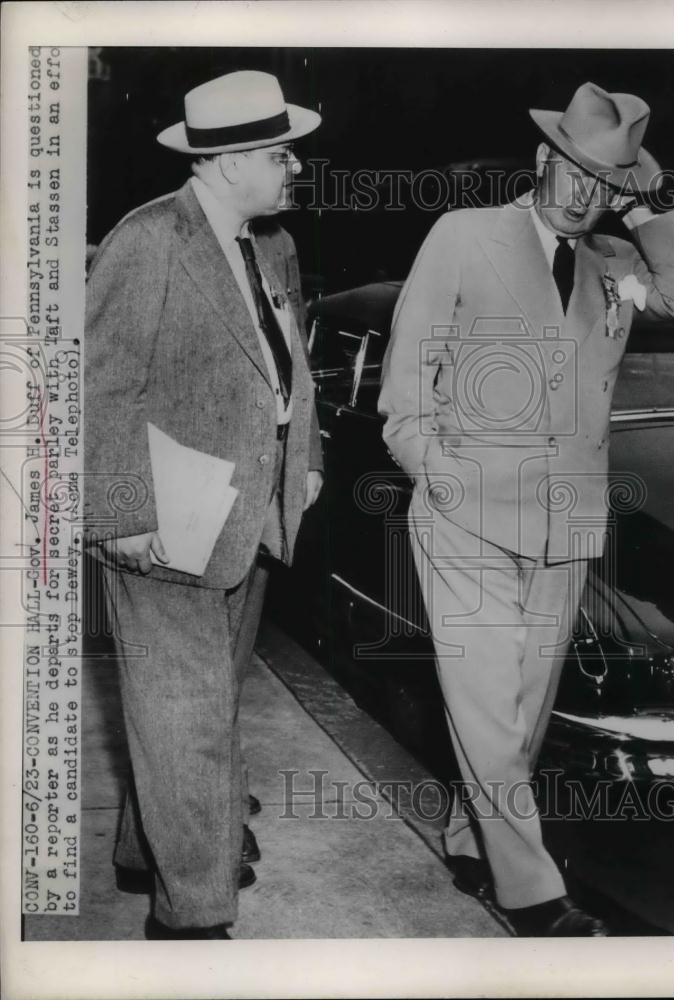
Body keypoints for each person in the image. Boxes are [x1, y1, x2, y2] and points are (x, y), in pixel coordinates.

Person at [378, 82, 674, 936]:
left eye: (608, 183)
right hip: (467, 516)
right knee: (487, 701)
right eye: (577, 174)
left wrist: (653, 211)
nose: (588, 195)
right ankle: (534, 895)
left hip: (567, 520)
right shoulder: (463, 236)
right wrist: (433, 471)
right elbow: (407, 379)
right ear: (542, 160)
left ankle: (471, 837)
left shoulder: (616, 263)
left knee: (524, 709)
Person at [84, 70, 323, 939]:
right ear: (225, 164)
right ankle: (190, 918)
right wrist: (120, 516)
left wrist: (309, 460)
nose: (292, 165)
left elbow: (291, 362)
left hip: (247, 511)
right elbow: (97, 390)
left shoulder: (271, 245)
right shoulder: (147, 241)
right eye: (276, 152)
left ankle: (150, 850)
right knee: (184, 717)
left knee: (203, 699)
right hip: (164, 516)